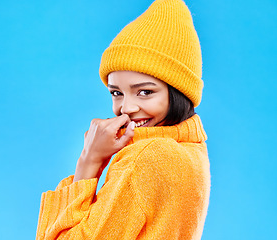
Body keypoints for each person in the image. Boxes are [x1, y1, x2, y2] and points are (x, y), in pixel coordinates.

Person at [36, 0, 210, 239]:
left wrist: (89, 160)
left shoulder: (146, 157)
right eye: (116, 93)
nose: (126, 108)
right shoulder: (192, 152)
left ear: (178, 91)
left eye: (145, 92)